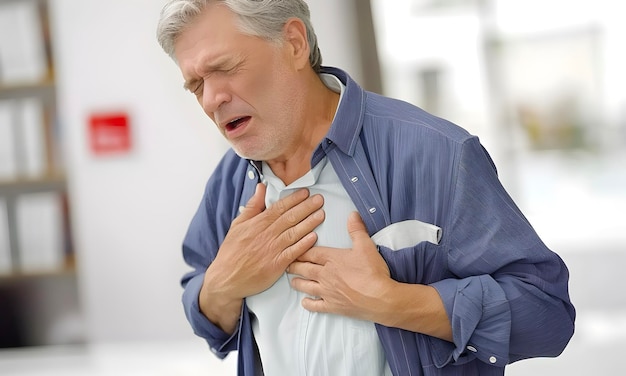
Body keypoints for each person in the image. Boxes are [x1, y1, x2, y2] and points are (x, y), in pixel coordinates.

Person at [156, 1, 576, 375]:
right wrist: (221, 286)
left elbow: (547, 316)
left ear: (294, 43)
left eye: (224, 68)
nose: (211, 99)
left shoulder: (438, 154)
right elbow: (204, 308)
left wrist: (395, 302)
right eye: (195, 85)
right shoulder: (228, 184)